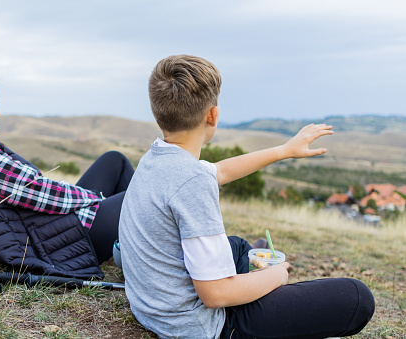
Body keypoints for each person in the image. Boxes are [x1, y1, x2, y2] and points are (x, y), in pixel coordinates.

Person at [119, 55, 375, 339]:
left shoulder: (157, 158)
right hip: (200, 326)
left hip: (151, 305)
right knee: (356, 297)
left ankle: (252, 280)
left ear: (158, 112)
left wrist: (285, 150)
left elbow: (221, 171)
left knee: (240, 248)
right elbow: (214, 295)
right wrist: (276, 276)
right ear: (212, 115)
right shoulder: (192, 183)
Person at [0, 68, 134, 280]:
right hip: (59, 245)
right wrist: (96, 201)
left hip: (43, 230)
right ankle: (153, 258)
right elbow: (41, 192)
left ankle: (134, 246)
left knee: (114, 160)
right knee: (142, 197)